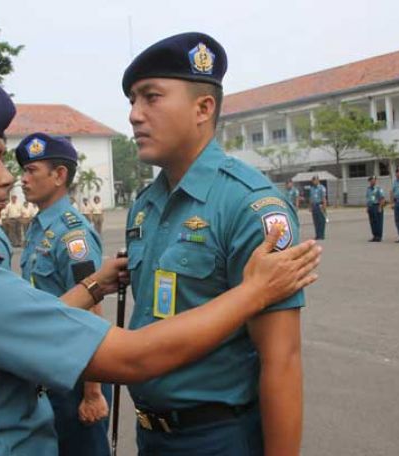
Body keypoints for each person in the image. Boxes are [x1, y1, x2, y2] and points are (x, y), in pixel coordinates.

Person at [0, 78, 320, 455]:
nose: (9, 176)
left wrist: (91, 285)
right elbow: (133, 357)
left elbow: (282, 357)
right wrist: (254, 291)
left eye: (152, 97)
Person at [122, 32, 309, 455]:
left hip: (217, 438)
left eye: (151, 97)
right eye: (132, 100)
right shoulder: (145, 207)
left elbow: (281, 361)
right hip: (151, 435)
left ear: (203, 108)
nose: (134, 114)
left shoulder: (250, 204)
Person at [17, 132, 111, 456]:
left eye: (32, 171)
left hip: (77, 378)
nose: (23, 179)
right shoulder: (40, 227)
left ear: (59, 176)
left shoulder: (73, 234)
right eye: (24, 171)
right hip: (51, 370)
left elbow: (91, 308)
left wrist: (93, 392)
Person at [366, 176, 385, 242]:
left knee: (378, 222)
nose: (371, 181)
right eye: (370, 180)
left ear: (375, 181)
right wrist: (367, 207)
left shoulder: (379, 188)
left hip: (377, 206)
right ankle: (374, 236)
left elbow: (382, 199)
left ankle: (379, 236)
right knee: (372, 222)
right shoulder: (368, 189)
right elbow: (368, 199)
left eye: (373, 180)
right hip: (371, 207)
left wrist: (380, 207)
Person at [309, 175, 327, 240]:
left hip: (320, 205)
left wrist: (324, 207)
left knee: (321, 221)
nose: (314, 181)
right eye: (313, 180)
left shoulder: (322, 188)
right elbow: (311, 198)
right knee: (316, 221)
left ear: (318, 180)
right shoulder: (311, 188)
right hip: (314, 206)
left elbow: (324, 198)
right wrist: (310, 207)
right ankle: (317, 235)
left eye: (315, 180)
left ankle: (322, 235)